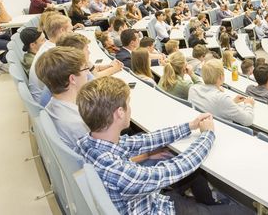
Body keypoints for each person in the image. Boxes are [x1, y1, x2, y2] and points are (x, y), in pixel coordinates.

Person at [76, 76, 247, 214]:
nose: (130, 108)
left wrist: (189, 126)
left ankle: (208, 205)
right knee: (241, 210)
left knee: (195, 175)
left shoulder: (89, 142)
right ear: (119, 113)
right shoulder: (117, 171)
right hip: (157, 209)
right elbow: (176, 167)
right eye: (128, 104)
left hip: (148, 199)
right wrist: (208, 135)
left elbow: (145, 140)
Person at [36, 47, 89, 149]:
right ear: (72, 79)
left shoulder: (51, 106)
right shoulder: (79, 123)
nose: (87, 73)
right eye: (85, 69)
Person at [189, 59, 255, 126]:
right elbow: (248, 120)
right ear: (221, 77)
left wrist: (232, 102)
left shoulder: (193, 89)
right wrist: (248, 104)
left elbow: (212, 106)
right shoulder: (222, 98)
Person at [29, 14, 73, 102]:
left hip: (47, 96)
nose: (73, 33)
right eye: (71, 30)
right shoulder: (54, 55)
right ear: (62, 30)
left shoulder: (48, 46)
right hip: (48, 102)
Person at [0, 0, 12, 72]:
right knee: (12, 45)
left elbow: (7, 18)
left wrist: (0, 4)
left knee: (16, 39)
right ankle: (1, 61)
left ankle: (0, 59)